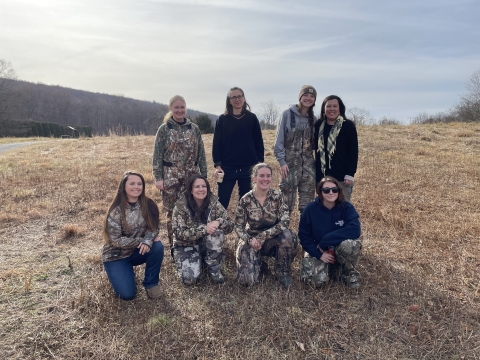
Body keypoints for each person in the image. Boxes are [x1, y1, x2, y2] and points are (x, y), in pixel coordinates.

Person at [152, 95, 207, 247]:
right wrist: (158, 177)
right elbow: (157, 154)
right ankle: (175, 246)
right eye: (176, 107)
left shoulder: (194, 128)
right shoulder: (164, 129)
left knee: (195, 208)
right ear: (170, 108)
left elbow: (201, 153)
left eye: (182, 107)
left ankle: (195, 242)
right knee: (173, 212)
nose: (180, 110)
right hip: (171, 177)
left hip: (192, 175)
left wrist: (204, 177)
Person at [102, 171, 165, 300]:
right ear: (123, 186)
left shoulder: (149, 204)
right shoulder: (115, 211)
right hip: (116, 256)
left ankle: (151, 284)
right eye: (132, 183)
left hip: (137, 251)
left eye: (139, 184)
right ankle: (123, 273)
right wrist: (142, 241)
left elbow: (154, 227)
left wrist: (148, 241)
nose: (136, 187)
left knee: (157, 246)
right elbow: (116, 241)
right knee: (127, 295)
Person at [235, 163, 298, 289]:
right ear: (254, 178)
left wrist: (263, 236)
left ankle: (283, 272)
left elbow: (285, 222)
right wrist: (250, 240)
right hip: (252, 240)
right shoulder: (245, 200)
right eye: (261, 176)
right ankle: (260, 264)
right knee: (247, 282)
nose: (265, 179)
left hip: (273, 239)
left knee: (288, 236)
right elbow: (238, 227)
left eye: (268, 176)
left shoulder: (278, 197)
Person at [298, 176, 362, 288]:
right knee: (315, 282)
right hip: (318, 249)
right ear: (320, 192)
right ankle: (329, 268)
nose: (331, 192)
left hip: (338, 247)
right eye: (326, 190)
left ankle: (348, 273)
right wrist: (319, 253)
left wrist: (326, 240)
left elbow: (355, 230)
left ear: (339, 190)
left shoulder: (346, 207)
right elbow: (304, 236)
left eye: (334, 189)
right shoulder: (310, 209)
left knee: (350, 245)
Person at [172, 175, 234, 285]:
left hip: (207, 243)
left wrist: (219, 221)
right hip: (186, 245)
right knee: (190, 279)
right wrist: (204, 229)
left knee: (216, 231)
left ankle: (214, 268)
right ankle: (198, 260)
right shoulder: (181, 207)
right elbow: (179, 233)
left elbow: (230, 225)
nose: (201, 189)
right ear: (191, 190)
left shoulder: (214, 203)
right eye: (197, 187)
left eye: (204, 186)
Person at [212, 87, 265, 210]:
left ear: (244, 98)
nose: (237, 99)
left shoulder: (252, 118)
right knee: (221, 202)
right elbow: (216, 144)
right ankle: (217, 227)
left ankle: (245, 228)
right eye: (233, 97)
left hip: (249, 167)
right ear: (229, 101)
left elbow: (259, 144)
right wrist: (218, 166)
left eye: (239, 96)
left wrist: (259, 165)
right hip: (227, 168)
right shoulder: (222, 120)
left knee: (247, 202)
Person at [274, 85, 317, 214]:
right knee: (285, 204)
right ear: (300, 97)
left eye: (312, 96)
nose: (308, 98)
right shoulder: (287, 114)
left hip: (309, 167)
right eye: (305, 95)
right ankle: (282, 232)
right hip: (289, 166)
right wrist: (282, 162)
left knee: (307, 206)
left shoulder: (314, 119)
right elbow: (278, 142)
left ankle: (305, 233)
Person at [314, 95, 358, 202]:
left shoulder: (348, 126)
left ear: (340, 108)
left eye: (335, 106)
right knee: (324, 210)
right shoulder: (318, 125)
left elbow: (353, 151)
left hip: (342, 178)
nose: (332, 109)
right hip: (322, 178)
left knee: (342, 210)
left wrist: (350, 174)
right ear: (324, 109)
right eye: (328, 106)